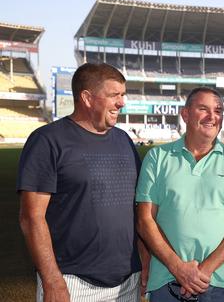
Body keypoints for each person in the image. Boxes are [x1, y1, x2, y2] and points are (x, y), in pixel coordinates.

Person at [17, 62, 145, 302]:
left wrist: (145, 263)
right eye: (113, 95)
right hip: (71, 282)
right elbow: (31, 217)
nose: (122, 102)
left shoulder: (124, 140)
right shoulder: (47, 141)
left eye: (123, 94)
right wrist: (52, 280)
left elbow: (137, 211)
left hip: (128, 281)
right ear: (87, 98)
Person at [136, 87, 224, 302]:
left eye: (218, 111)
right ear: (186, 114)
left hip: (222, 283)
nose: (212, 117)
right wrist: (178, 268)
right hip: (167, 281)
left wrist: (203, 271)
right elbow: (145, 220)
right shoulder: (157, 157)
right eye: (203, 109)